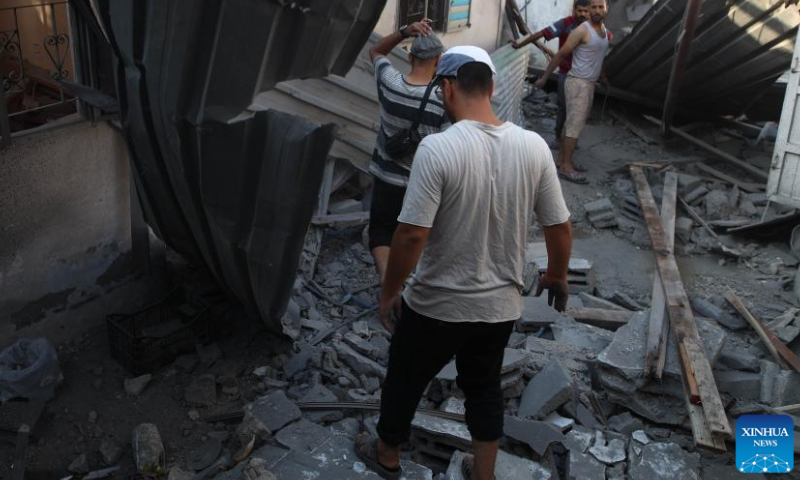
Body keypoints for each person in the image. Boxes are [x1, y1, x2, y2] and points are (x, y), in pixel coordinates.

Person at [354, 46, 573, 480]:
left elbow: (411, 233)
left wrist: (390, 291)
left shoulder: (437, 149)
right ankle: (484, 473)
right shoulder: (533, 147)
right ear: (491, 87)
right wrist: (557, 275)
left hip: (437, 304)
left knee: (405, 377)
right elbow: (560, 227)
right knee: (484, 388)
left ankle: (387, 454)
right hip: (498, 310)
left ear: (446, 88)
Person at [367, 20, 450, 285]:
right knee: (416, 235)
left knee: (381, 230)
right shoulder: (443, 101)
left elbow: (376, 52)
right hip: (421, 185)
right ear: (438, 60)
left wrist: (404, 31)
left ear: (410, 56)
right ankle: (409, 283)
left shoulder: (390, 83)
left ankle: (386, 277)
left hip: (385, 178)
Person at [535, 0, 610, 184]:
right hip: (578, 83)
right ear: (589, 10)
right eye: (594, 7)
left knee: (571, 125)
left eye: (601, 6)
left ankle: (561, 160)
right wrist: (545, 77)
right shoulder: (582, 31)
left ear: (606, 8)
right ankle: (567, 168)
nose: (597, 10)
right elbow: (561, 54)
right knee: (574, 127)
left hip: (588, 83)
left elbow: (596, 57)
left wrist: (603, 77)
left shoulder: (603, 30)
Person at [512, 0, 591, 146]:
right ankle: (558, 138)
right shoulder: (565, 24)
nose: (583, 14)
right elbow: (541, 33)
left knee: (579, 111)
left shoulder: (594, 27)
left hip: (585, 77)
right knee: (563, 107)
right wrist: (520, 44)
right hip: (566, 74)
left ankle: (571, 141)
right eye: (580, 11)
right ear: (574, 10)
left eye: (586, 11)